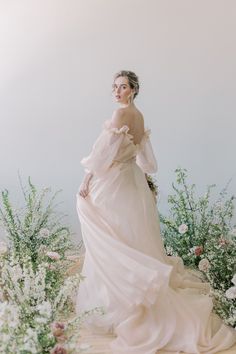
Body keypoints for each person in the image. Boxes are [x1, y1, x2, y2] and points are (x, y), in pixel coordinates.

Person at [76, 70, 236, 354]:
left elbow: (103, 156)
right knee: (129, 241)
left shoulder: (119, 115)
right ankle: (127, 304)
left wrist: (86, 181)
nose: (116, 91)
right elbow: (146, 161)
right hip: (133, 183)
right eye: (114, 87)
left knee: (113, 239)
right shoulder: (139, 116)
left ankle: (122, 309)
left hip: (115, 184)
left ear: (133, 90)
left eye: (122, 87)